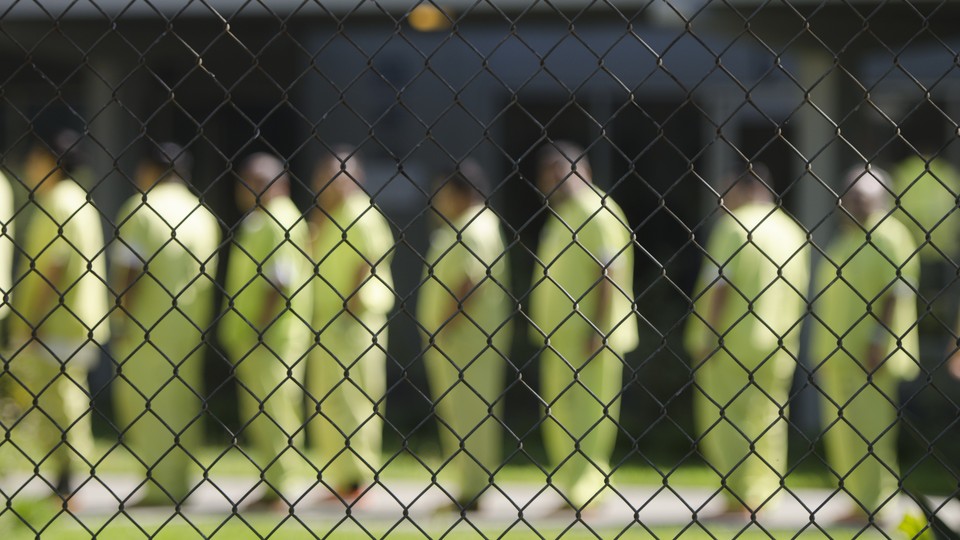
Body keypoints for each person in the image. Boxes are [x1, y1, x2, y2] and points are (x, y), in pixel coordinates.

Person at [683, 164, 809, 516]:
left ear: (744, 189)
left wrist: (707, 334)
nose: (722, 201)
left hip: (731, 339)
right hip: (780, 340)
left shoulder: (735, 227)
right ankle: (765, 493)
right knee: (769, 417)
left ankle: (739, 496)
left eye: (727, 192)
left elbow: (719, 284)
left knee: (726, 419)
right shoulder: (792, 231)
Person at [529, 141, 638, 513]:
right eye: (549, 174)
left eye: (560, 170)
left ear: (582, 169)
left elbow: (610, 271)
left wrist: (599, 329)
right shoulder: (564, 215)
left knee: (591, 416)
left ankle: (588, 491)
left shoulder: (597, 211)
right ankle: (572, 488)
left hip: (591, 337)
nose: (554, 180)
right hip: (561, 337)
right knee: (562, 417)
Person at [110, 143, 219, 506]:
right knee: (182, 402)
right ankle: (182, 481)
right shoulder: (202, 214)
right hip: (190, 326)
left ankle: (160, 488)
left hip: (146, 325)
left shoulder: (142, 209)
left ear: (149, 170)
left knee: (145, 404)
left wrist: (120, 316)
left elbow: (129, 270)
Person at [811, 166, 920, 524]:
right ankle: (859, 503)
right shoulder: (847, 237)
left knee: (870, 434)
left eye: (862, 195)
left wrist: (879, 341)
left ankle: (877, 506)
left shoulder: (890, 234)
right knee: (846, 435)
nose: (853, 201)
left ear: (881, 198)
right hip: (839, 355)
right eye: (849, 194)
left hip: (870, 357)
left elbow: (897, 292)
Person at [7, 129, 110, 506]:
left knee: (62, 401)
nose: (30, 167)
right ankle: (64, 479)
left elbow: (54, 265)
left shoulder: (59, 202)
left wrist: (32, 318)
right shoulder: (74, 199)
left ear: (51, 161)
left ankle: (70, 481)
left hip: (58, 321)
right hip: (72, 319)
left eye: (35, 158)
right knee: (62, 398)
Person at [219, 153, 313, 509]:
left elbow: (279, 279)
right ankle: (274, 484)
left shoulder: (279, 219)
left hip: (271, 336)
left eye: (255, 180)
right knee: (265, 412)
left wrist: (258, 325)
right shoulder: (264, 220)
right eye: (245, 180)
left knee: (276, 411)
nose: (247, 188)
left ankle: (283, 488)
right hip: (258, 335)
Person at [418, 159, 513, 513]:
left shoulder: (474, 227)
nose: (438, 201)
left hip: (468, 343)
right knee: (461, 416)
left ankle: (473, 492)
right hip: (460, 343)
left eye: (442, 193)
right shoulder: (466, 225)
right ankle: (467, 489)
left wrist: (443, 325)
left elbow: (470, 283)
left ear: (460, 192)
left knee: (471, 415)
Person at [308, 147, 394, 504]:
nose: (332, 181)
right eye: (327, 173)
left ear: (355, 177)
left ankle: (358, 481)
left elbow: (368, 262)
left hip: (355, 321)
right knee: (331, 402)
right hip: (328, 320)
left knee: (356, 399)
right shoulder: (330, 215)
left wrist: (350, 305)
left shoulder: (361, 213)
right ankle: (341, 479)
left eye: (340, 173)